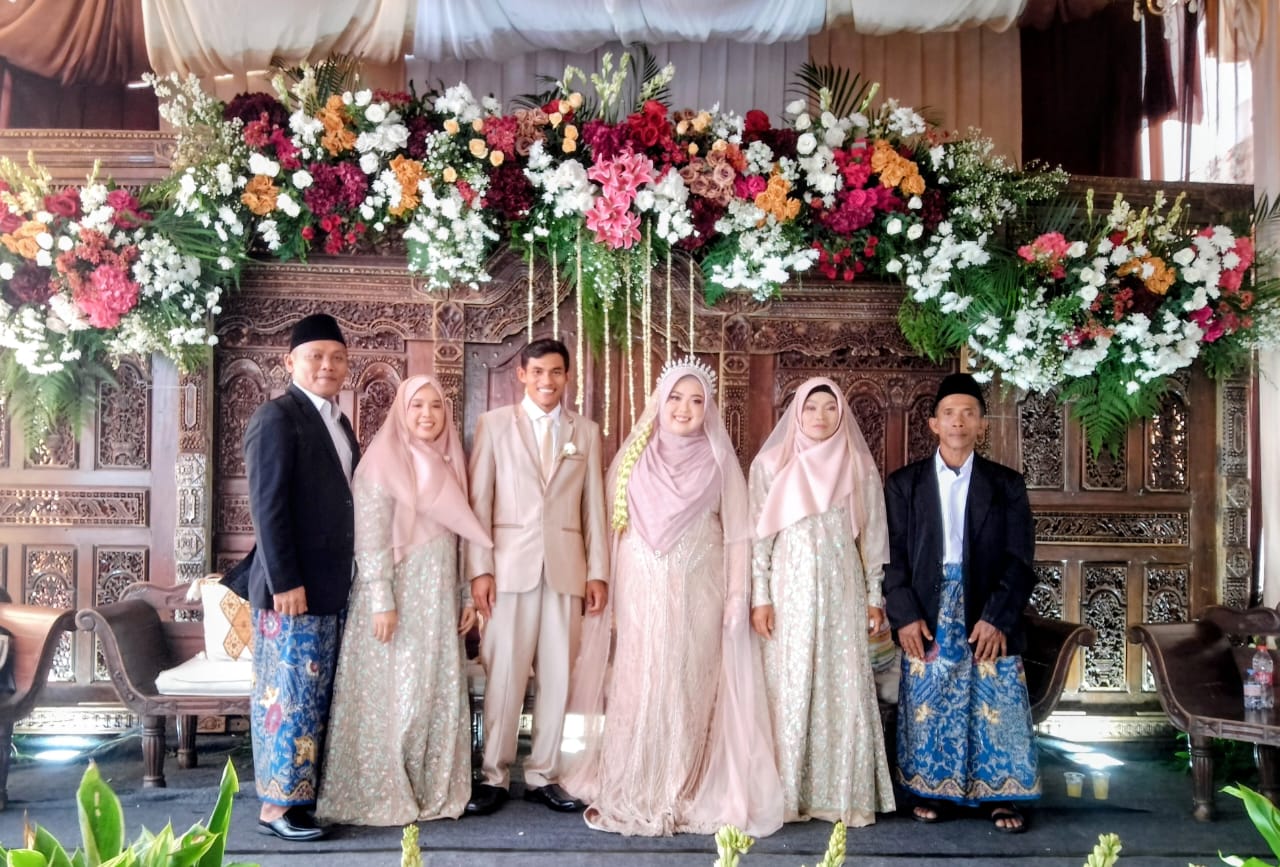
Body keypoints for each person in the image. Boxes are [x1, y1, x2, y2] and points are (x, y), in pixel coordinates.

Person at [563, 359, 783, 837]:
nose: (685, 409)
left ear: (708, 409)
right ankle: (634, 780)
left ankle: (682, 784)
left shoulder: (719, 462)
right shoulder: (633, 459)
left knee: (687, 684)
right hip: (641, 593)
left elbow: (738, 535)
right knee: (639, 680)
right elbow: (610, 531)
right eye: (677, 399)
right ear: (659, 403)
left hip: (699, 596)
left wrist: (737, 597)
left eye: (697, 401)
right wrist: (610, 596)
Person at [316, 375, 492, 826]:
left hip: (438, 597)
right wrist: (381, 598)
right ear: (401, 411)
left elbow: (459, 538)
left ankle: (428, 786)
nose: (427, 415)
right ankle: (386, 787)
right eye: (417, 406)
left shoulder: (452, 461)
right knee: (399, 693)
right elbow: (371, 537)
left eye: (435, 406)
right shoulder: (381, 463)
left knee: (431, 689)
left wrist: (463, 596)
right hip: (396, 597)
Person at [883, 372, 1040, 834]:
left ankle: (1001, 795)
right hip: (927, 609)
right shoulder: (904, 485)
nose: (958, 422)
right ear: (933, 424)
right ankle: (934, 790)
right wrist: (904, 615)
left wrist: (997, 617)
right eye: (949, 413)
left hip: (986, 606)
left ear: (982, 425)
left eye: (968, 414)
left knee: (995, 698)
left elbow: (1020, 558)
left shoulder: (1006, 484)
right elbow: (891, 556)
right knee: (932, 700)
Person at [465, 338, 609, 816]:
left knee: (558, 675)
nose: (548, 381)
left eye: (557, 372)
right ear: (522, 375)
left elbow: (594, 508)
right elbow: (479, 503)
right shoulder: (493, 425)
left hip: (567, 569)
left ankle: (544, 774)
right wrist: (480, 569)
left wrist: (598, 572)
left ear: (567, 377)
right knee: (504, 673)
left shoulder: (585, 432)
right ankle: (493, 775)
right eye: (539, 372)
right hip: (508, 569)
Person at [749, 377, 895, 827]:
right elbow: (758, 537)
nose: (820, 416)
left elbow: (872, 537)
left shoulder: (857, 465)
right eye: (810, 407)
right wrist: (761, 596)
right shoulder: (771, 463)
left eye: (830, 407)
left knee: (840, 683)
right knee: (788, 685)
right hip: (788, 590)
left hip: (842, 588)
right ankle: (786, 795)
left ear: (841, 413)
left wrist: (874, 596)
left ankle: (837, 796)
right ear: (796, 412)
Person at [241, 313, 359, 842]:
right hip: (292, 590)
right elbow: (267, 508)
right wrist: (285, 581)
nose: (327, 365)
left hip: (331, 586)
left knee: (313, 699)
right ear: (290, 363)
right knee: (285, 698)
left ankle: (303, 800)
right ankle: (276, 807)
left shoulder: (339, 421)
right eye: (316, 356)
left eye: (336, 357)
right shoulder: (277, 416)